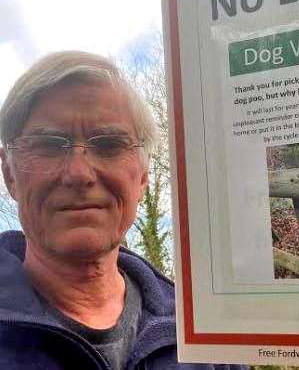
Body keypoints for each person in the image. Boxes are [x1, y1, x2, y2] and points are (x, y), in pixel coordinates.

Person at [0, 51, 247, 369]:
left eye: (108, 145)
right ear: (10, 175)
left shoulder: (204, 333)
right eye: (50, 145)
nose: (79, 173)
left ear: (143, 177)